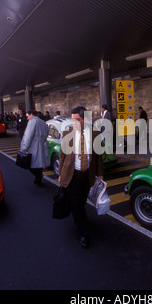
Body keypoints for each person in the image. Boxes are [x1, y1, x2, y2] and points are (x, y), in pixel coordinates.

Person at [58, 106, 103, 248]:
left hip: (87, 174)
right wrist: (60, 174)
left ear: (86, 119)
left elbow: (99, 156)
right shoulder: (67, 133)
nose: (73, 123)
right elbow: (62, 155)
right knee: (76, 204)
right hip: (71, 174)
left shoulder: (95, 133)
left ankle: (80, 218)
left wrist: (100, 173)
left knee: (81, 201)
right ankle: (83, 233)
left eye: (77, 120)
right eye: (72, 120)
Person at [20, 110, 50, 186]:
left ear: (31, 115)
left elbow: (28, 135)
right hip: (42, 144)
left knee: (30, 163)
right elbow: (47, 133)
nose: (27, 118)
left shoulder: (32, 122)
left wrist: (25, 146)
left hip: (33, 145)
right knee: (39, 163)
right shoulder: (43, 122)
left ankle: (38, 176)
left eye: (27, 116)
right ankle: (38, 177)